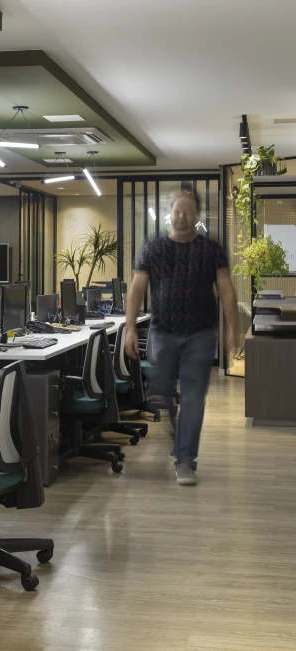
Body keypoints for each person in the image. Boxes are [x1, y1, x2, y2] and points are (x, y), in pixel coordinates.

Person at [125, 189, 237, 486]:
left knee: (193, 396)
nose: (182, 216)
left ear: (197, 215)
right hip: (163, 331)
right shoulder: (153, 248)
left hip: (200, 334)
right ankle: (178, 430)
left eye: (187, 211)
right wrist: (130, 327)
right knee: (160, 391)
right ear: (169, 213)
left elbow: (226, 290)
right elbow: (137, 288)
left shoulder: (211, 249)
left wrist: (232, 331)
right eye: (177, 210)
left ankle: (186, 460)